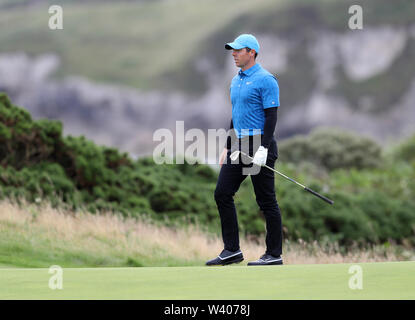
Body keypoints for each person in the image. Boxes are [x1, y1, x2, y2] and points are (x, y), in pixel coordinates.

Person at [206, 34, 283, 266]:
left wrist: (263, 148)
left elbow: (271, 117)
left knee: (266, 201)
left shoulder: (266, 79)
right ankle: (232, 250)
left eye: (238, 50)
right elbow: (236, 115)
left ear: (252, 52)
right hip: (238, 146)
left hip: (260, 144)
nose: (234, 53)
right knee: (222, 193)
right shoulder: (235, 80)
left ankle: (274, 255)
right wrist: (228, 146)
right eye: (233, 50)